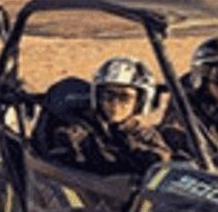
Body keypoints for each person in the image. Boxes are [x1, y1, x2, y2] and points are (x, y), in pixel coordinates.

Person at [44, 56, 172, 175]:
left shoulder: (143, 133)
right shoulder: (80, 130)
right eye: (109, 95)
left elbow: (162, 162)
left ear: (139, 101)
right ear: (98, 97)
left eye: (124, 97)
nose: (115, 103)